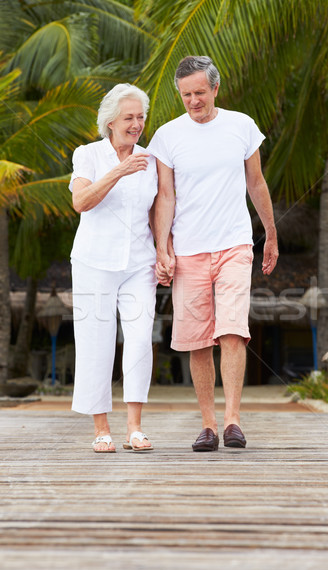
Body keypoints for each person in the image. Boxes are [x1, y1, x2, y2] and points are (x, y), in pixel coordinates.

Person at [148, 56, 279, 452]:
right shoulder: (167, 136)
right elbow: (165, 196)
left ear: (215, 89)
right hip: (188, 251)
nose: (193, 101)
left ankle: (233, 421)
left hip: (235, 245)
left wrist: (270, 234)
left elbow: (256, 183)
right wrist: (162, 248)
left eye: (200, 93)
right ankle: (208, 425)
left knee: (233, 330)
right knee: (196, 340)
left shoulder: (241, 126)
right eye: (186, 94)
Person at [69, 83, 158, 453]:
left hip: (140, 263)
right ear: (110, 122)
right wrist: (120, 171)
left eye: (140, 117)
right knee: (96, 343)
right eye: (129, 118)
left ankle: (134, 428)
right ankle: (101, 428)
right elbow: (80, 201)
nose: (136, 124)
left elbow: (157, 211)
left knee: (139, 341)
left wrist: (165, 253)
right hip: (94, 261)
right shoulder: (88, 155)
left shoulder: (152, 160)